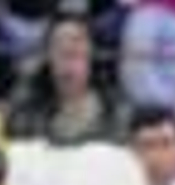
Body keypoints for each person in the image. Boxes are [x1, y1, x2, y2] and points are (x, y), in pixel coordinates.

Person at [6, 10, 116, 145]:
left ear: (92, 51)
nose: (67, 47)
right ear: (47, 55)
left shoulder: (114, 108)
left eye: (76, 40)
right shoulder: (27, 109)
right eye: (58, 42)